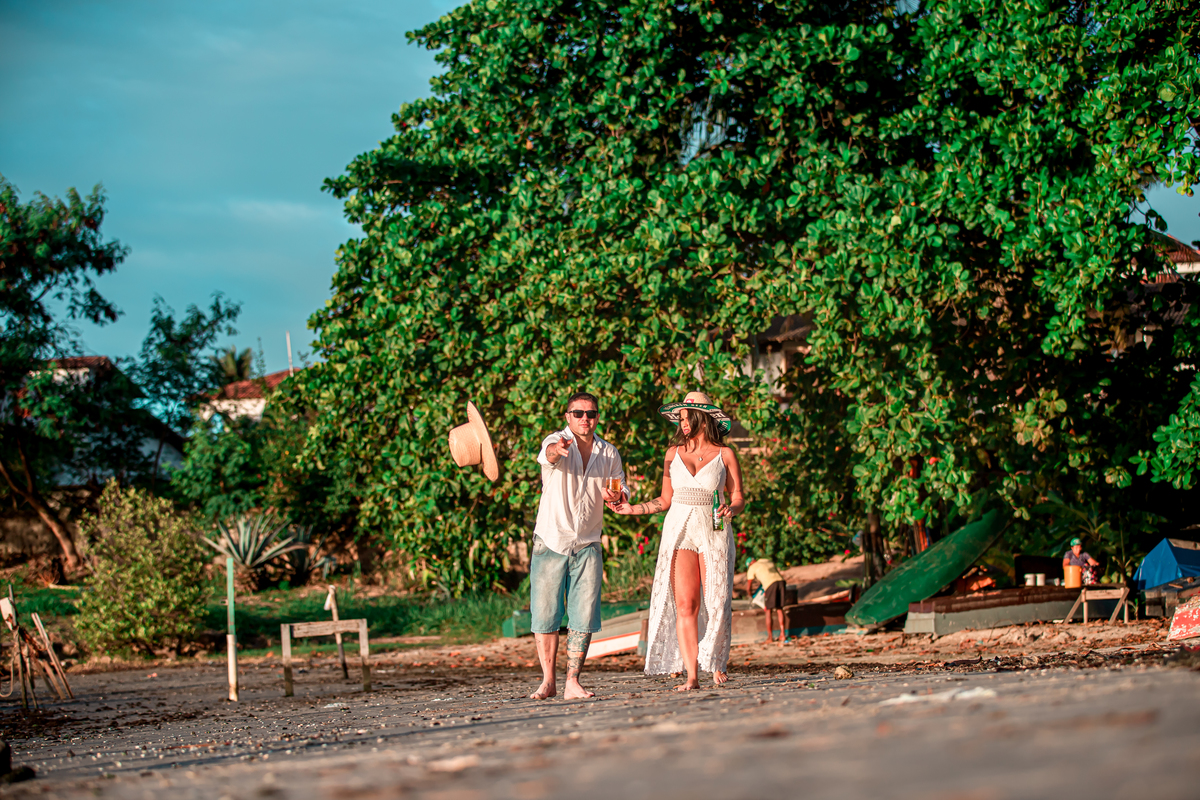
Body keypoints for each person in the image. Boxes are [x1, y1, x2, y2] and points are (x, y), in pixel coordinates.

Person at [610, 391, 745, 691]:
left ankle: (715, 661)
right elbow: (665, 500)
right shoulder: (672, 453)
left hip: (714, 528)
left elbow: (738, 497)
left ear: (703, 417)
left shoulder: (725, 455)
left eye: (688, 418)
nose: (683, 424)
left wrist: (731, 508)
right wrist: (633, 508)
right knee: (686, 604)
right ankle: (692, 675)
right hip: (680, 528)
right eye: (681, 418)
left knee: (716, 600)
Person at [529, 391, 627, 700]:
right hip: (552, 538)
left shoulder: (609, 452)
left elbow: (621, 487)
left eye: (591, 413)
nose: (585, 418)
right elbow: (548, 454)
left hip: (588, 541)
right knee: (546, 613)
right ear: (567, 416)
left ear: (597, 417)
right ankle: (548, 680)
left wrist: (618, 496)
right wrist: (558, 449)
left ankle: (572, 681)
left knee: (583, 615)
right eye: (578, 413)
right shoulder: (557, 441)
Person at [745, 555, 787, 646]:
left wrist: (750, 596)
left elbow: (749, 587)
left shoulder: (752, 568)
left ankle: (770, 637)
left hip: (770, 584)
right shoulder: (766, 560)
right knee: (779, 608)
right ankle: (782, 635)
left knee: (768, 610)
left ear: (749, 564)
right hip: (781, 582)